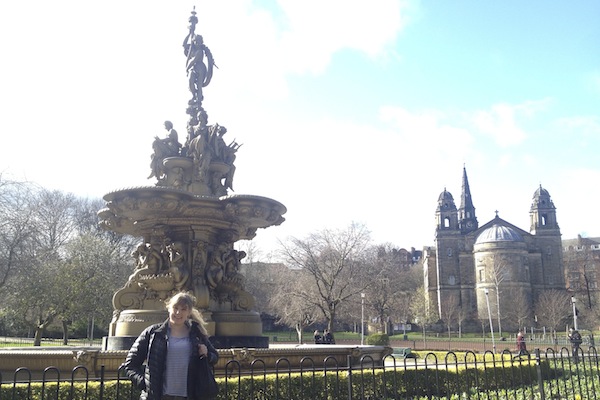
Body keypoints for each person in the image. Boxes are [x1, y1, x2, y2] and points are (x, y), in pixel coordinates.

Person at [123, 292, 219, 400]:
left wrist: (207, 354)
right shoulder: (153, 333)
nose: (178, 312)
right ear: (169, 308)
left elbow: (215, 357)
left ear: (189, 312)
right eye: (175, 308)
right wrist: (146, 384)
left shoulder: (197, 333)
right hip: (159, 396)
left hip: (190, 395)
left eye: (183, 309)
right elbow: (130, 365)